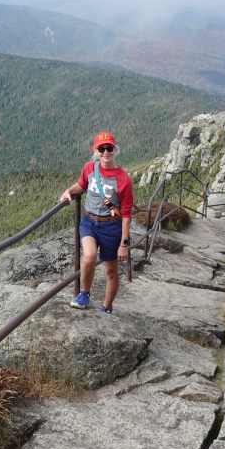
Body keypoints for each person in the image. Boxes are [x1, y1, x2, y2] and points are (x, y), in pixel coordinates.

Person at [59, 131, 133, 314]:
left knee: (110, 272)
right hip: (89, 222)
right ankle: (84, 294)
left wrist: (124, 243)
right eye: (101, 148)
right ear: (96, 151)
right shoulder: (90, 167)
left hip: (111, 226)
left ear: (115, 149)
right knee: (90, 256)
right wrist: (67, 191)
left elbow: (125, 213)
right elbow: (81, 185)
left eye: (109, 148)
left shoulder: (123, 179)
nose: (105, 152)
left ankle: (107, 307)